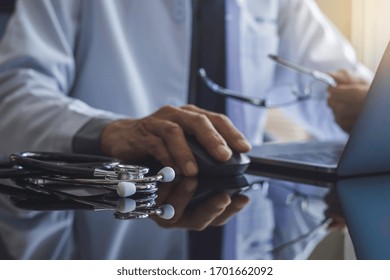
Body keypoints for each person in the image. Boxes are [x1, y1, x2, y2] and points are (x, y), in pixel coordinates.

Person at [0, 0, 372, 259]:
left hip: (240, 205)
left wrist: (366, 111)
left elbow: (343, 95)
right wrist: (110, 130)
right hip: (108, 211)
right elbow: (15, 98)